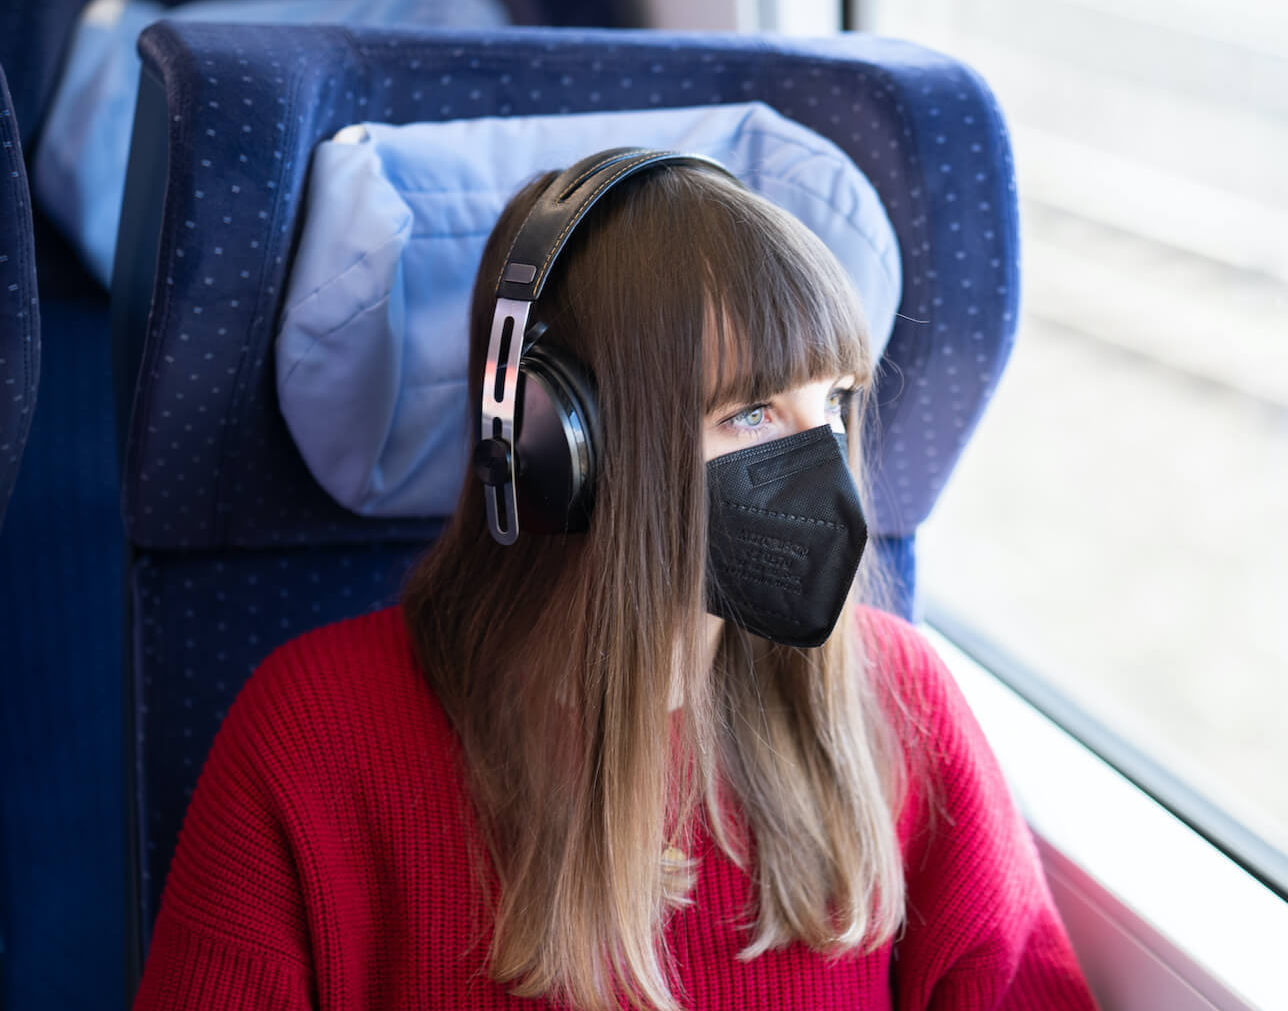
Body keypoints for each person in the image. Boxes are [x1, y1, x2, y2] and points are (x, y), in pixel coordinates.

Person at [131, 154, 1099, 1010]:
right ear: (561, 447)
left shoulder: (894, 703)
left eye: (835, 405)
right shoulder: (318, 735)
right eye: (754, 413)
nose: (826, 472)